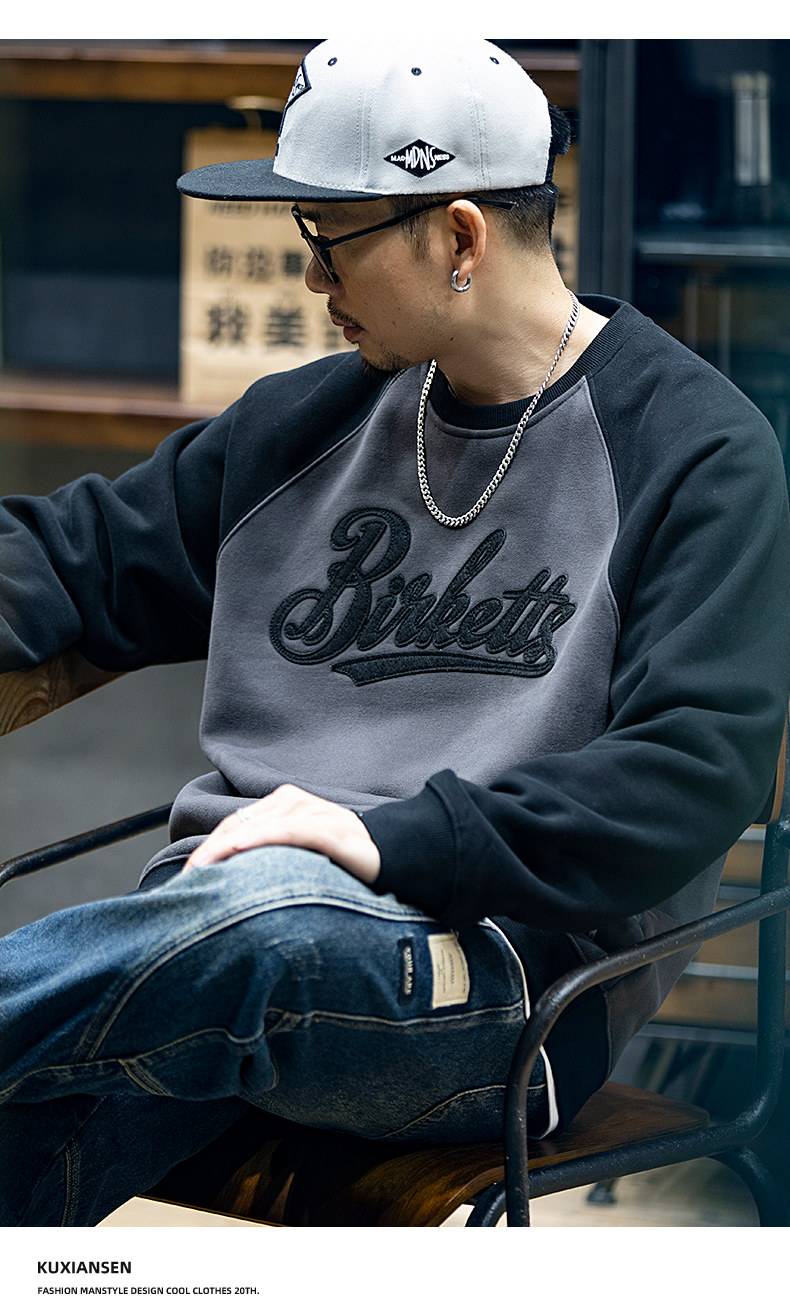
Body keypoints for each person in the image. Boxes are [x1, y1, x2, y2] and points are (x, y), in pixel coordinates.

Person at [1, 37, 789, 1228]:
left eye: (331, 238)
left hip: (499, 990)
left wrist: (382, 840)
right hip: (206, 949)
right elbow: (77, 554)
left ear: (460, 238)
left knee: (263, 920)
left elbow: (685, 780)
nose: (310, 276)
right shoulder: (302, 423)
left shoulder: (693, 451)